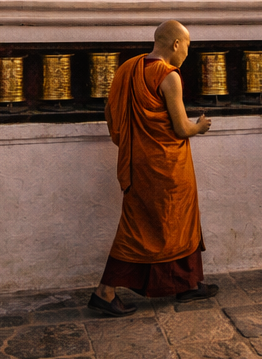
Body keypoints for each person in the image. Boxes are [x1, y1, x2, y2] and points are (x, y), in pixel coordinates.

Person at [89, 20, 217, 316]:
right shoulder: (169, 76)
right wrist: (200, 126)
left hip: (139, 161)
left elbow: (111, 111)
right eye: (187, 45)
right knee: (143, 228)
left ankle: (188, 283)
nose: (187, 51)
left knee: (174, 221)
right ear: (175, 44)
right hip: (167, 165)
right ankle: (104, 291)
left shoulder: (129, 68)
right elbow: (181, 127)